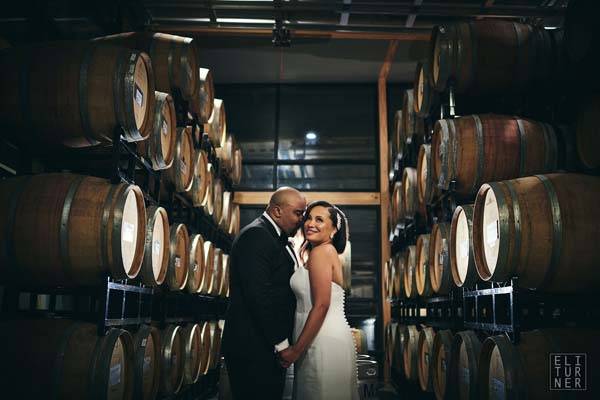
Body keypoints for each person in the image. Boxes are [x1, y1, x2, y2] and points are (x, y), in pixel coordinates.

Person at [221, 187, 307, 400]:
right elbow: (260, 297)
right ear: (277, 211)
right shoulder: (257, 235)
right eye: (298, 213)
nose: (302, 220)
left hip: (262, 347)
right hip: (253, 348)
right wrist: (282, 344)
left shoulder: (274, 236)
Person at [279, 200, 359, 400]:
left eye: (319, 220)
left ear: (333, 230)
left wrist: (296, 350)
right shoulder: (323, 252)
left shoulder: (321, 252)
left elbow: (321, 305)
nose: (310, 223)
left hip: (321, 339)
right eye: (308, 218)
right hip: (321, 335)